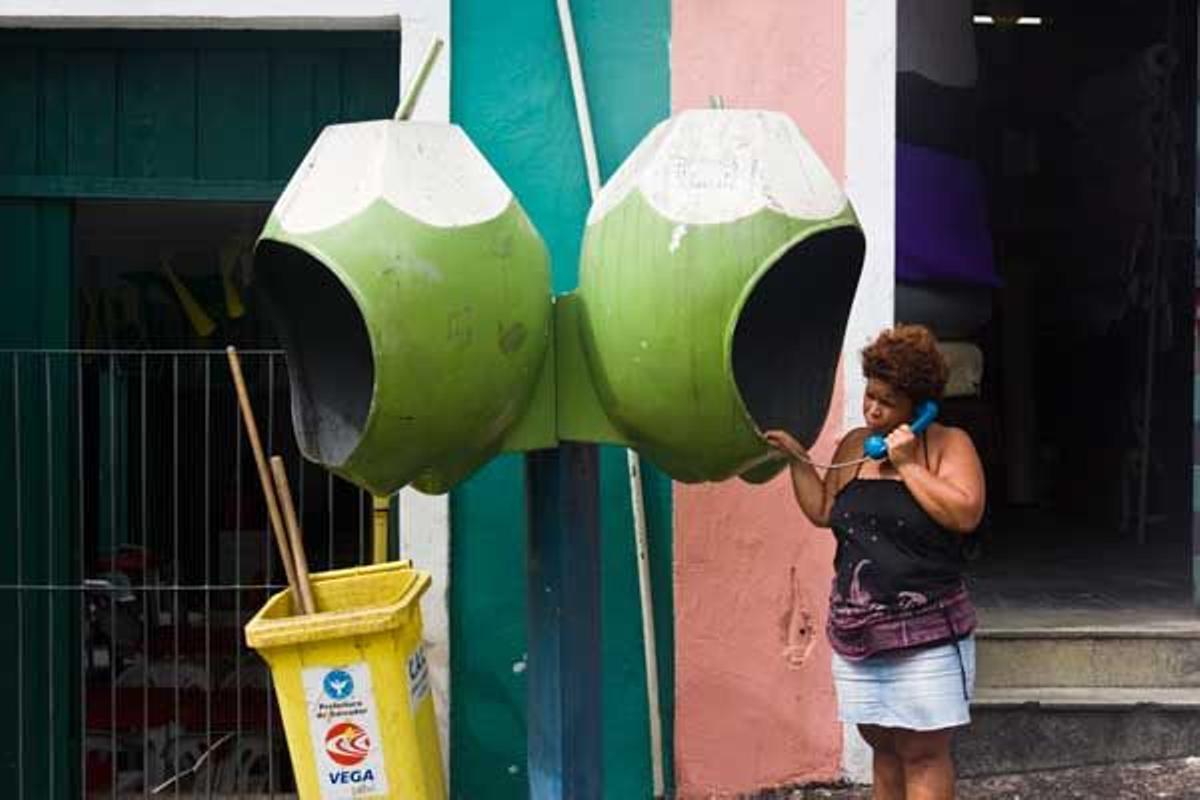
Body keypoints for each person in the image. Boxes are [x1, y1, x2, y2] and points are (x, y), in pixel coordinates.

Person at [764, 324, 985, 800]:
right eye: (870, 395)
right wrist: (800, 462)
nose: (872, 409)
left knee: (922, 752)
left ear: (920, 405)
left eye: (887, 401)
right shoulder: (854, 447)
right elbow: (824, 512)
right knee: (883, 747)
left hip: (927, 633)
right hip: (859, 633)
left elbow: (965, 513)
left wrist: (908, 465)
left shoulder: (949, 445)